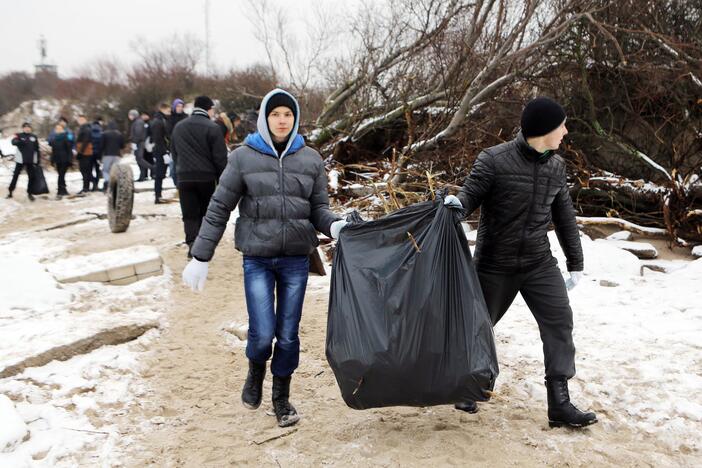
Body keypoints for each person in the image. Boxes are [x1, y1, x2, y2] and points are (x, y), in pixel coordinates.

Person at [181, 89, 346, 428]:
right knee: (261, 334)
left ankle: (281, 399)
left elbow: (318, 209)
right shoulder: (243, 157)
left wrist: (335, 224)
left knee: (287, 335)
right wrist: (200, 255)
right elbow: (218, 208)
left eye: (287, 114)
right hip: (256, 258)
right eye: (275, 114)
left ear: (295, 118)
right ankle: (256, 369)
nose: (282, 120)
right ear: (264, 118)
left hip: (295, 261)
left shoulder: (310, 159)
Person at [444, 96, 597, 428]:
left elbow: (565, 217)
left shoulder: (556, 167)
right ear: (544, 129)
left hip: (538, 262)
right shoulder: (494, 160)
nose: (566, 132)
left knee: (559, 322)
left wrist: (576, 262)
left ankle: (560, 403)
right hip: (495, 263)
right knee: (477, 327)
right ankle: (467, 384)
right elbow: (469, 196)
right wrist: (457, 203)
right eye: (562, 126)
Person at [170, 96, 228, 256]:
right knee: (204, 213)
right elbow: (220, 158)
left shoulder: (179, 127)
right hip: (206, 178)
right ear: (208, 109)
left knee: (189, 214)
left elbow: (174, 152)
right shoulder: (213, 127)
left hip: (184, 177)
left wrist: (180, 170)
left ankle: (191, 244)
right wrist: (222, 179)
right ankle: (201, 246)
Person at [8, 122, 39, 201]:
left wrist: (37, 160)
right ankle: (10, 192)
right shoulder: (19, 135)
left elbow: (36, 149)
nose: (27, 128)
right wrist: (18, 141)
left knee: (31, 177)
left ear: (30, 128)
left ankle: (30, 193)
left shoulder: (34, 137)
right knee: (15, 176)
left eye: (28, 127)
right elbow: (13, 142)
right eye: (25, 127)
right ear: (23, 128)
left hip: (30, 160)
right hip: (20, 160)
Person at [150, 103, 171, 204]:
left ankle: (158, 195)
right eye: (168, 110)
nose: (169, 112)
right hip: (160, 151)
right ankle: (158, 196)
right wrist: (164, 153)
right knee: (159, 174)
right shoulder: (158, 122)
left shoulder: (161, 120)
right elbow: (158, 139)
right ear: (163, 109)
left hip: (161, 150)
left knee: (161, 174)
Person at [167, 98, 188, 185]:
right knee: (173, 168)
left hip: (184, 146)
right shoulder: (170, 118)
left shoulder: (186, 117)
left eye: (181, 106)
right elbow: (168, 132)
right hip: (173, 145)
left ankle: (182, 184)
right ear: (174, 107)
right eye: (178, 106)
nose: (180, 108)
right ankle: (177, 184)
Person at [49, 123, 73, 198]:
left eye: (60, 128)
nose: (58, 130)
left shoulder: (66, 137)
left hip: (64, 159)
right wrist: (52, 161)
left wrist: (70, 160)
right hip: (57, 159)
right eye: (57, 129)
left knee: (61, 174)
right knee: (60, 174)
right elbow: (53, 150)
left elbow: (69, 149)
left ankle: (61, 190)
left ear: (63, 129)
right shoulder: (54, 138)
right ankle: (61, 190)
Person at [101, 121, 125, 191]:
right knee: (115, 170)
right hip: (117, 155)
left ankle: (107, 181)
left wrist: (100, 155)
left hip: (107, 154)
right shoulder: (119, 134)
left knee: (106, 170)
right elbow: (122, 145)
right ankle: (115, 184)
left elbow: (101, 145)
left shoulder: (104, 134)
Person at [128, 109, 150, 182]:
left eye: (130, 115)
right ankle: (142, 176)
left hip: (139, 143)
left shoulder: (138, 122)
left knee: (140, 159)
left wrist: (134, 142)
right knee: (138, 159)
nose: (129, 116)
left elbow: (138, 133)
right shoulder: (137, 122)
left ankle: (153, 168)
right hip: (138, 142)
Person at [75, 115, 94, 194]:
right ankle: (88, 186)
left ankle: (86, 187)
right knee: (85, 170)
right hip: (84, 151)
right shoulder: (82, 128)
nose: (80, 121)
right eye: (79, 120)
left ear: (85, 120)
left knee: (85, 170)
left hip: (85, 152)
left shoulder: (86, 129)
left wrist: (80, 152)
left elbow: (86, 140)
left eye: (82, 119)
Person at [90, 117, 104, 191]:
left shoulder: (89, 131)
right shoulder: (101, 131)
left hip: (90, 153)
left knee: (89, 169)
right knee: (98, 169)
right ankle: (97, 184)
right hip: (98, 153)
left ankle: (93, 182)